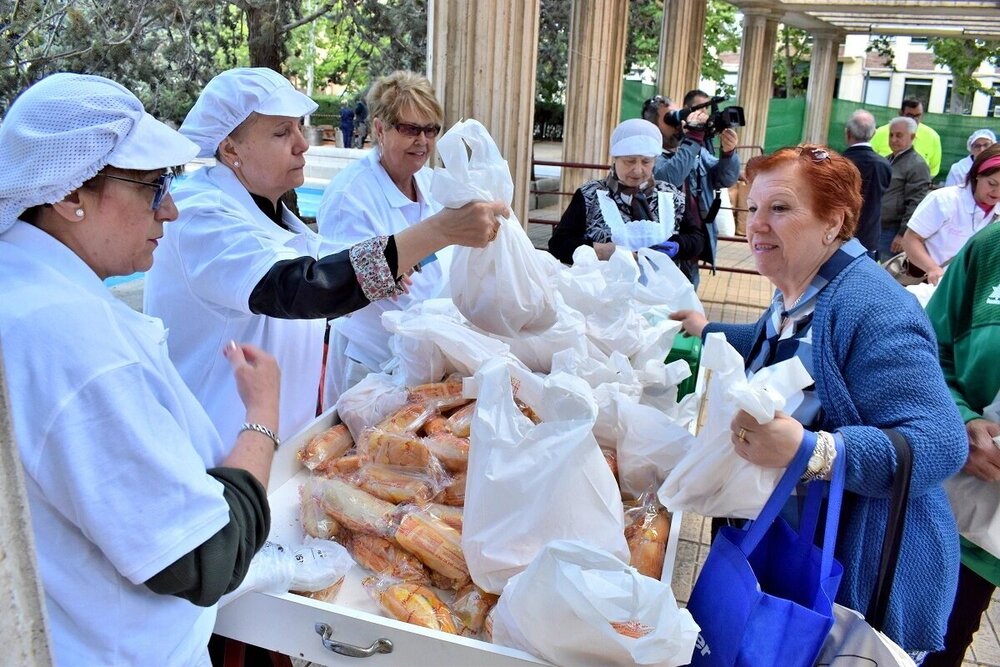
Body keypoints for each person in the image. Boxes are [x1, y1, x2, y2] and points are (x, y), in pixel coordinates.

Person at [0, 72, 281, 665]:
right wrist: (262, 419)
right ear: (68, 196)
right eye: (154, 186)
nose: (171, 210)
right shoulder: (72, 341)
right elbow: (206, 557)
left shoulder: (23, 286)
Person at [672, 144, 967, 658]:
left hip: (859, 581)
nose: (757, 225)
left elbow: (941, 442)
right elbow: (784, 347)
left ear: (834, 223)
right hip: (798, 546)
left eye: (781, 209)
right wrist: (706, 330)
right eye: (753, 208)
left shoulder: (871, 305)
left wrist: (811, 451)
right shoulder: (803, 286)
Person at [145, 67, 506, 446]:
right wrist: (439, 230)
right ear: (230, 147)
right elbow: (302, 287)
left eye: (299, 128)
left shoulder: (272, 216)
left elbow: (332, 265)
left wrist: (399, 261)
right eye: (282, 132)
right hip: (215, 450)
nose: (302, 144)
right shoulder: (200, 215)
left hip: (272, 446)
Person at [317, 71, 449, 405]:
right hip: (371, 363)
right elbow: (343, 281)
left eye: (431, 129)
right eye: (409, 129)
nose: (422, 141)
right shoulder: (351, 195)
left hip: (429, 361)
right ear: (379, 129)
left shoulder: (432, 184)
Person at [924, 221, 1000, 667]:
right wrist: (961, 420)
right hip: (967, 525)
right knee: (932, 645)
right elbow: (928, 350)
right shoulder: (990, 248)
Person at [547, 118, 705, 271]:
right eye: (629, 161)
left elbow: (697, 239)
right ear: (615, 159)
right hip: (603, 293)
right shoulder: (591, 195)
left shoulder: (671, 196)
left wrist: (678, 246)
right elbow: (558, 244)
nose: (637, 170)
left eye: (646, 162)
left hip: (660, 293)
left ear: (655, 161)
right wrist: (599, 251)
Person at [642, 90, 740, 285]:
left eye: (678, 115)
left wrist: (728, 154)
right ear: (653, 125)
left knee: (687, 306)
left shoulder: (694, 150)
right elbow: (669, 178)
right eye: (670, 118)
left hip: (690, 246)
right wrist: (694, 139)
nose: (677, 122)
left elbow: (726, 178)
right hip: (661, 250)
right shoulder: (646, 157)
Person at [901, 144, 1000, 285]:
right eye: (992, 183)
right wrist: (932, 269)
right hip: (928, 285)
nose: (997, 192)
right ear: (977, 174)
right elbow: (910, 240)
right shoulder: (945, 200)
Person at [842, 109, 892, 259]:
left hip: (841, 235)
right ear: (874, 133)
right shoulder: (883, 165)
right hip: (870, 237)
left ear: (848, 133)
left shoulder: (839, 163)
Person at [879, 116, 931, 259]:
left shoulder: (917, 165)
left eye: (899, 135)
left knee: (889, 273)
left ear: (912, 136)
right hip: (877, 227)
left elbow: (916, 202)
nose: (894, 139)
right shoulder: (886, 160)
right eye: (891, 135)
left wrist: (902, 234)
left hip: (894, 231)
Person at [871, 98, 943, 179]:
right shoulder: (880, 133)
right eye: (910, 116)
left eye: (918, 115)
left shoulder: (932, 136)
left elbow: (933, 169)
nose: (914, 120)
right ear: (900, 113)